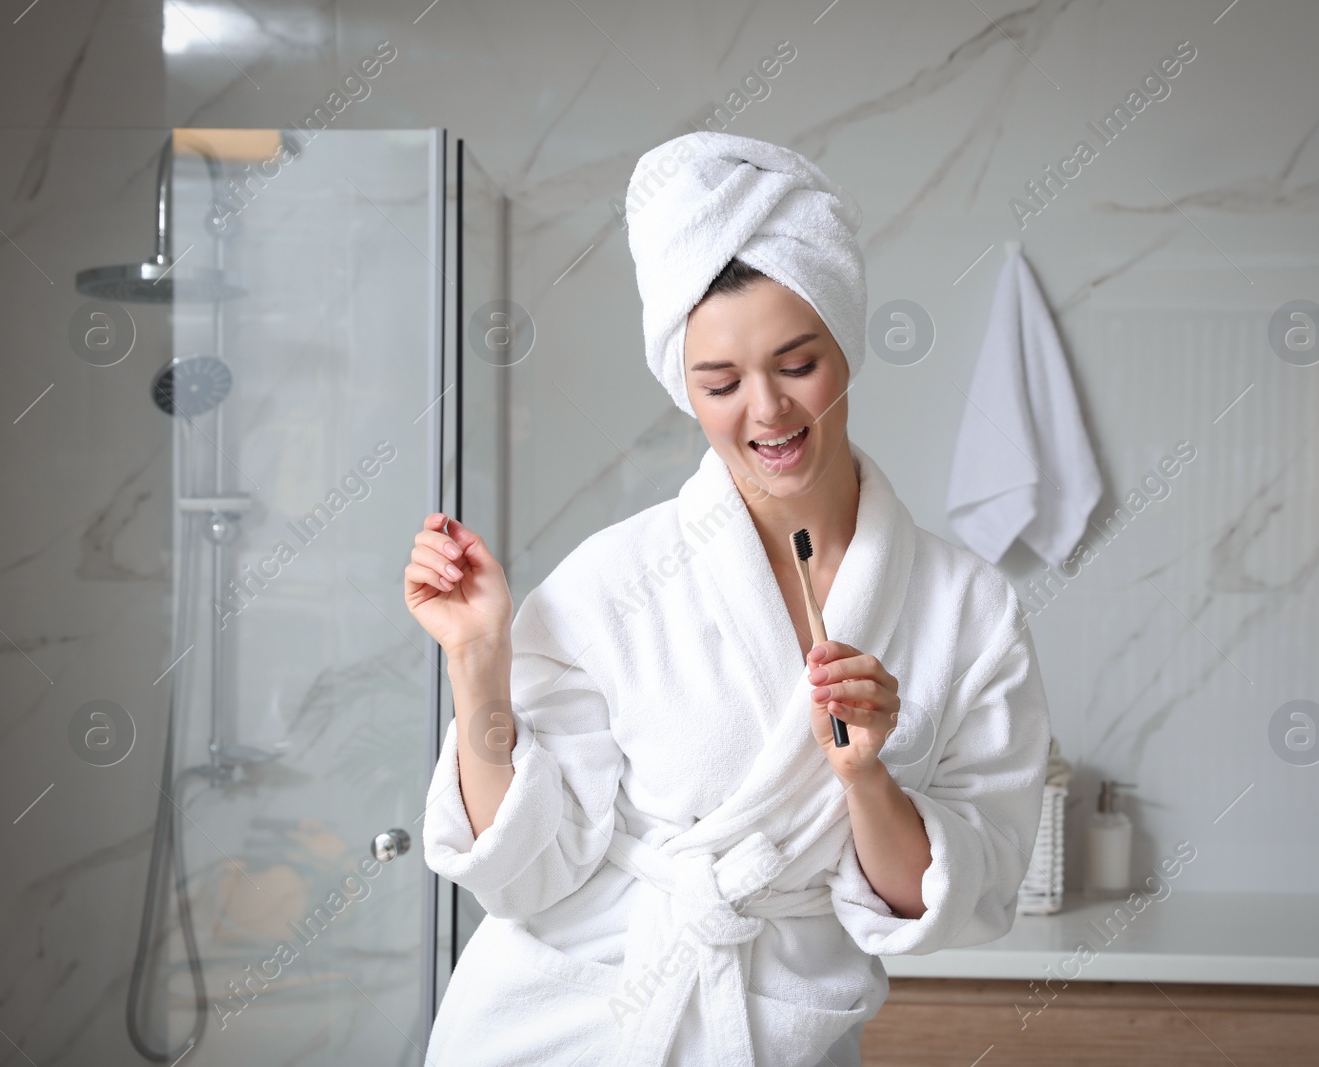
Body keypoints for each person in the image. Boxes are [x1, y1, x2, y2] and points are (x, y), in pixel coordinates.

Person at [404, 131, 1051, 1067]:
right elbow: (525, 871)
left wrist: (865, 776)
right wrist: (477, 662)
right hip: (560, 1022)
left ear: (847, 347)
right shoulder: (614, 580)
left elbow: (964, 896)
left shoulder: (969, 610)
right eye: (721, 382)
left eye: (798, 365)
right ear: (686, 388)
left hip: (777, 1034)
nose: (767, 412)